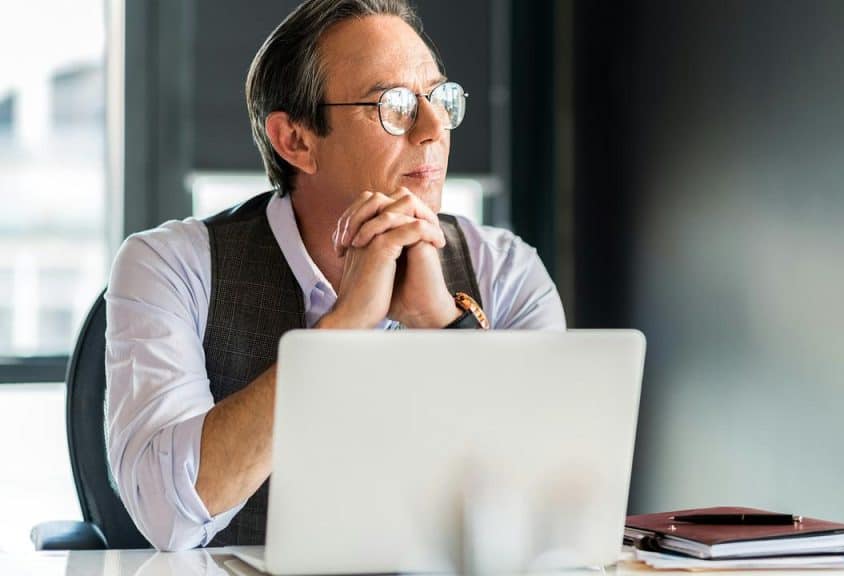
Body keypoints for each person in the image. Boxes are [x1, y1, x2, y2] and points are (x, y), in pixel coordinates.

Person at [105, 0, 564, 551]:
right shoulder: (170, 266)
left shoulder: (507, 270)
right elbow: (167, 518)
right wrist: (343, 329)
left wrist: (440, 323)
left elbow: (544, 513)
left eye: (439, 98)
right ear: (295, 140)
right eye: (392, 104)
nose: (434, 128)